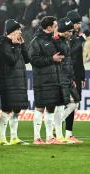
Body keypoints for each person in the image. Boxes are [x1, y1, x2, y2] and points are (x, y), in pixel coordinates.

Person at [28, 16, 66, 145]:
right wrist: (51, 59)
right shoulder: (36, 41)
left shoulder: (55, 40)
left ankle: (50, 137)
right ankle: (37, 138)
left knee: (51, 108)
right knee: (40, 108)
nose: (57, 28)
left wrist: (57, 38)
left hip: (54, 79)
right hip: (42, 80)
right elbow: (33, 60)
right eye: (55, 26)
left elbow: (65, 52)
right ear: (49, 27)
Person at [0, 19, 29, 145]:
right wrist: (16, 46)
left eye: (20, 30)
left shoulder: (18, 43)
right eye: (17, 30)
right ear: (10, 32)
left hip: (19, 81)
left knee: (17, 109)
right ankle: (2, 138)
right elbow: (12, 60)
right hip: (8, 82)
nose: (20, 32)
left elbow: (27, 60)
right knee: (7, 109)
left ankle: (14, 137)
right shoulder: (3, 44)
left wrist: (22, 45)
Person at [54, 17, 79, 143]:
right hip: (60, 77)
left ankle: (57, 124)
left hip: (68, 77)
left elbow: (69, 61)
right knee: (59, 106)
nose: (70, 33)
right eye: (69, 31)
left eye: (71, 31)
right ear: (63, 30)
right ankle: (59, 135)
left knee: (75, 102)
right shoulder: (56, 41)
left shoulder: (65, 41)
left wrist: (72, 77)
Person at [64, 10, 86, 143]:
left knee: (74, 104)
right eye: (76, 23)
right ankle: (58, 131)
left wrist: (82, 76)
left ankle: (68, 134)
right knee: (66, 104)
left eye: (79, 23)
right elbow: (69, 54)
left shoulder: (76, 37)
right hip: (67, 75)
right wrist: (80, 41)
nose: (78, 26)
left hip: (76, 75)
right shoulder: (67, 37)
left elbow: (79, 60)